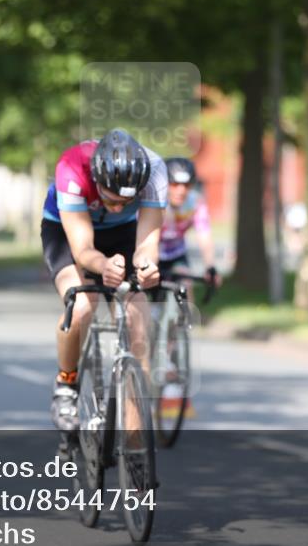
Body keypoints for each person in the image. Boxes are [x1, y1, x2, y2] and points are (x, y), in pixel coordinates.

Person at [41, 128, 167, 432]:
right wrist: (104, 265)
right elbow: (83, 249)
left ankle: (135, 435)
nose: (118, 207)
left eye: (127, 201)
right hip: (67, 231)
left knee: (138, 312)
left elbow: (147, 243)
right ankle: (66, 385)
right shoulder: (71, 168)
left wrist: (146, 265)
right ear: (97, 180)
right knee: (83, 305)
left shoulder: (156, 172)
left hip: (122, 233)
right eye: (111, 200)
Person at [159, 157, 222, 293]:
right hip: (150, 254)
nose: (181, 190)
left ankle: (187, 314)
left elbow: (204, 236)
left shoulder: (195, 203)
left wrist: (210, 266)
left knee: (186, 286)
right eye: (175, 184)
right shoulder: (153, 200)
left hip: (176, 254)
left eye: (186, 185)